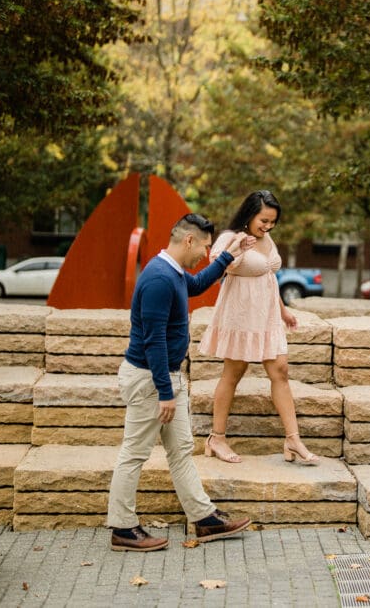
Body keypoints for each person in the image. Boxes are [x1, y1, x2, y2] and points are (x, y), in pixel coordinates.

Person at [107, 213, 254, 552]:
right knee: (134, 454)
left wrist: (229, 255)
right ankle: (123, 528)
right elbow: (153, 341)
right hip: (150, 380)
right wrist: (165, 391)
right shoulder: (159, 278)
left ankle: (204, 518)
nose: (205, 253)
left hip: (164, 378)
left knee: (181, 451)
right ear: (189, 240)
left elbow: (197, 284)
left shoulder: (171, 272)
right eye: (204, 246)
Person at [198, 190, 319, 466]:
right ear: (250, 214)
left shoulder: (267, 238)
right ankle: (216, 438)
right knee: (233, 373)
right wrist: (238, 248)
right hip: (241, 316)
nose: (268, 226)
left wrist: (283, 311)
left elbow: (267, 276)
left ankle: (293, 439)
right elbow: (216, 269)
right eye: (264, 220)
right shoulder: (231, 238)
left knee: (281, 371)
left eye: (273, 222)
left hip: (267, 316)